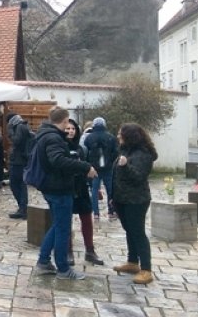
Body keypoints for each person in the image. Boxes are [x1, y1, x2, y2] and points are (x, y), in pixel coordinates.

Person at [34, 107, 97, 280]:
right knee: (63, 229)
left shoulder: (45, 134)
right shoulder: (53, 138)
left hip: (52, 187)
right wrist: (85, 167)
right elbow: (58, 160)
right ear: (65, 121)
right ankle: (63, 269)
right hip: (59, 189)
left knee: (57, 226)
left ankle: (43, 261)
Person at [112, 123, 157, 284]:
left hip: (136, 200)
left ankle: (146, 269)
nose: (118, 136)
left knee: (137, 232)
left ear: (129, 136)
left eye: (120, 134)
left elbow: (138, 176)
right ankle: (132, 262)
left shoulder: (143, 154)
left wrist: (125, 166)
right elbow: (116, 176)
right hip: (122, 199)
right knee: (129, 230)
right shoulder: (125, 150)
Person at [65, 119, 104, 266]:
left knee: (87, 218)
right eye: (67, 128)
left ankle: (90, 250)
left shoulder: (81, 148)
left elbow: (87, 165)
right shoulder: (60, 146)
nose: (70, 131)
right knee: (66, 220)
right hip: (67, 187)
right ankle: (68, 251)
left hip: (81, 187)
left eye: (73, 129)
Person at [84, 117, 119, 219]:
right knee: (110, 190)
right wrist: (111, 161)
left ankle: (95, 213)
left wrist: (88, 164)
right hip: (108, 168)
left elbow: (86, 152)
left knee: (94, 190)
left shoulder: (89, 137)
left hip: (94, 168)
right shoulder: (110, 137)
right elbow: (116, 152)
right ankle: (111, 211)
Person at [7, 113, 33, 219]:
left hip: (19, 160)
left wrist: (10, 131)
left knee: (15, 184)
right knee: (20, 184)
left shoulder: (19, 126)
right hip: (22, 159)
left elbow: (16, 140)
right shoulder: (23, 125)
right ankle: (22, 208)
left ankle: (23, 209)